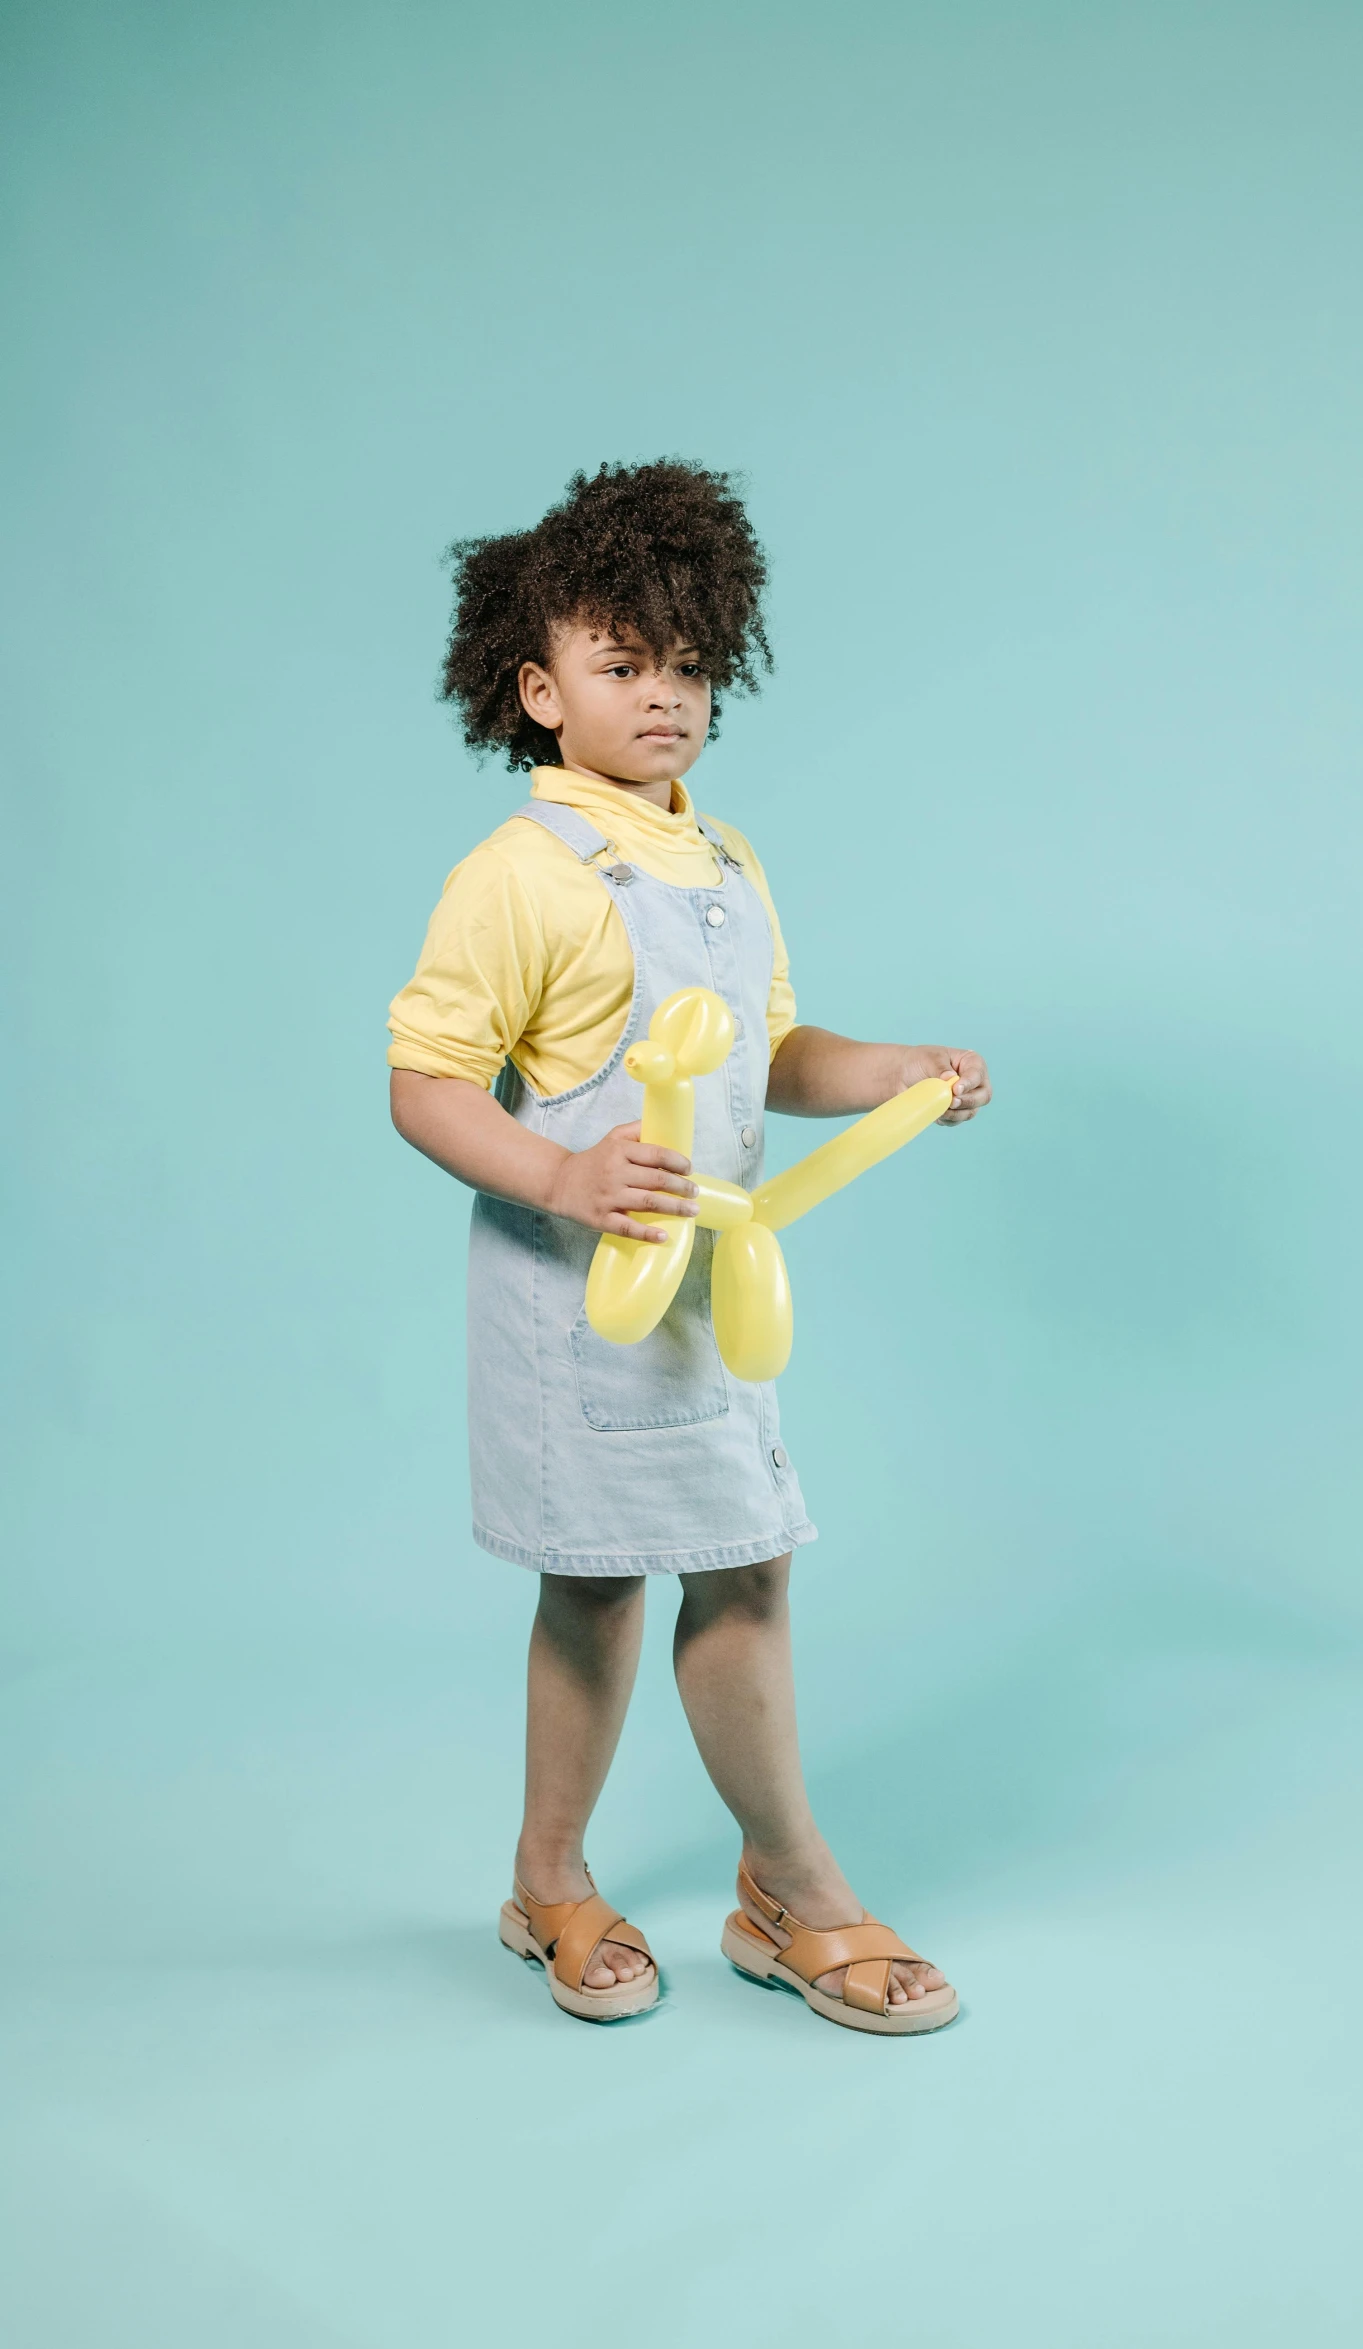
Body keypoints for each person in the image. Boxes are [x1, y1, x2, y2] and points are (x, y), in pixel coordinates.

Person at [387, 460, 990, 2034]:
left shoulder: (725, 865)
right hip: (573, 1298)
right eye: (621, 662)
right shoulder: (522, 875)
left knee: (746, 1564)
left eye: (690, 666)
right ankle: (563, 1881)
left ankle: (779, 1895)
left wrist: (894, 1075)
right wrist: (562, 1173)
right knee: (594, 1590)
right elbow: (428, 1083)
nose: (665, 697)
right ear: (538, 691)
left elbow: (770, 1058)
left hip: (714, 1289)